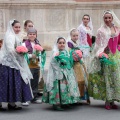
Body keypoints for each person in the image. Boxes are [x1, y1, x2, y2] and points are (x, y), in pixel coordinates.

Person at [88, 10, 120, 110]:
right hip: (107, 57)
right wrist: (100, 54)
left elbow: (119, 43)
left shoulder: (117, 29)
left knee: (116, 79)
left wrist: (118, 49)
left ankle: (114, 100)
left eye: (109, 17)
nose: (107, 19)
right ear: (103, 19)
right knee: (107, 79)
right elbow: (97, 46)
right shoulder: (100, 31)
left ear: (112, 18)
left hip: (116, 57)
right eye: (105, 18)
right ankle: (108, 100)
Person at [0, 20, 33, 110]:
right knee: (7, 83)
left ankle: (12, 103)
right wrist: (19, 52)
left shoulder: (14, 35)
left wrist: (23, 51)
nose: (18, 29)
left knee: (12, 83)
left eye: (19, 27)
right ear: (12, 27)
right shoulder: (10, 36)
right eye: (16, 27)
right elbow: (11, 50)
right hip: (9, 64)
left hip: (14, 62)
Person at [42, 37, 80, 110]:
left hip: (66, 72)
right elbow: (52, 63)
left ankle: (65, 102)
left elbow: (69, 61)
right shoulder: (55, 52)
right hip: (57, 73)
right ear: (57, 44)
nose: (62, 44)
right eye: (60, 43)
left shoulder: (66, 52)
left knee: (65, 88)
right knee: (58, 88)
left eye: (63, 43)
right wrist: (60, 64)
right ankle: (56, 103)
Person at [22, 28, 45, 104]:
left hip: (36, 65)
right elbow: (23, 54)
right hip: (28, 65)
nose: (32, 35)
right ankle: (26, 98)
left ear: (36, 35)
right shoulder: (24, 44)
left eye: (33, 34)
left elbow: (41, 54)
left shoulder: (37, 43)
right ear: (27, 35)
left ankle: (34, 97)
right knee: (28, 82)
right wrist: (31, 56)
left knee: (35, 81)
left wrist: (39, 57)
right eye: (30, 34)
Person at [67, 28, 90, 104]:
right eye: (74, 36)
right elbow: (70, 53)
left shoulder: (76, 43)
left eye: (77, 35)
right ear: (71, 36)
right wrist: (76, 56)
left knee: (83, 78)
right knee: (77, 79)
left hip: (79, 62)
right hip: (74, 63)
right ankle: (76, 97)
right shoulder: (69, 43)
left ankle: (82, 96)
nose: (75, 37)